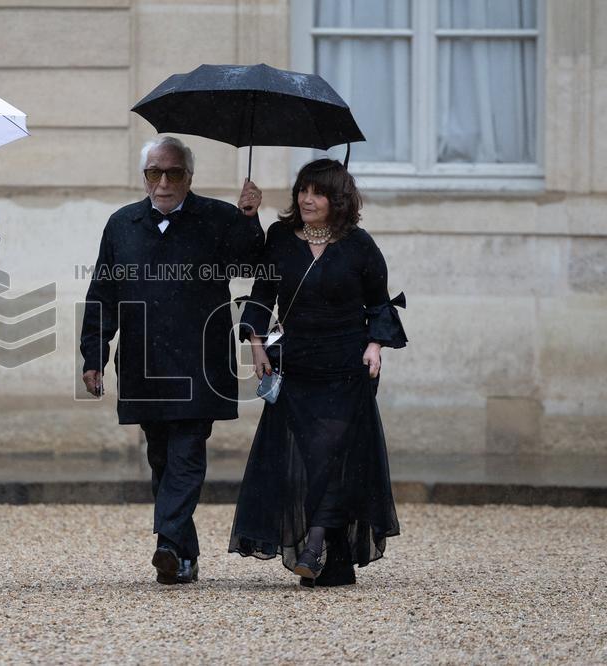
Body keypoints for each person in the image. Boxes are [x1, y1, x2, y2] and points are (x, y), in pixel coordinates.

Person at [80, 136, 265, 585]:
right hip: (144, 363)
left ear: (189, 177)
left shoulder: (219, 218)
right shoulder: (121, 224)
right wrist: (94, 354)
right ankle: (183, 556)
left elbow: (250, 263)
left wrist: (248, 217)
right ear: (144, 177)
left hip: (200, 363)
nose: (163, 183)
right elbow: (103, 294)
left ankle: (166, 540)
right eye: (154, 173)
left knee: (186, 453)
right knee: (161, 457)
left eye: (174, 173)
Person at [229, 158, 405, 587]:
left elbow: (379, 303)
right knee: (310, 461)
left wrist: (375, 345)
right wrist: (255, 344)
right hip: (298, 366)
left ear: (338, 199)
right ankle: (334, 557)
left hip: (348, 366)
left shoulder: (359, 244)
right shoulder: (279, 238)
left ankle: (314, 542)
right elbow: (261, 292)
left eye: (319, 192)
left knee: (339, 455)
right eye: (303, 190)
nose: (308, 199)